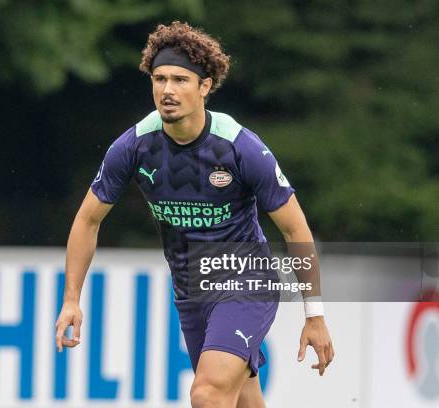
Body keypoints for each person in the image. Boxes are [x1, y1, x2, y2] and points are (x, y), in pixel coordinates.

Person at [55, 21, 334, 407]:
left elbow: (295, 229)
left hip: (246, 284)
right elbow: (88, 219)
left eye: (181, 80)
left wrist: (314, 314)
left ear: (205, 87)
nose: (167, 90)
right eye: (159, 78)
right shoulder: (134, 146)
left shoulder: (239, 147)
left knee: (206, 394)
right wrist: (71, 299)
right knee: (242, 400)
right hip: (191, 291)